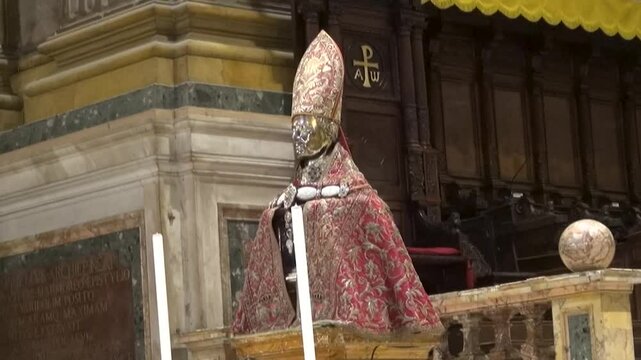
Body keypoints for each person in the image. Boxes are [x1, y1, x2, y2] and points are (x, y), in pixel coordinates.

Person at [232, 30, 442, 336]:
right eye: (297, 125)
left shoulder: (362, 200)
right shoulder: (285, 201)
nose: (301, 134)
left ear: (331, 127)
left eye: (310, 123)